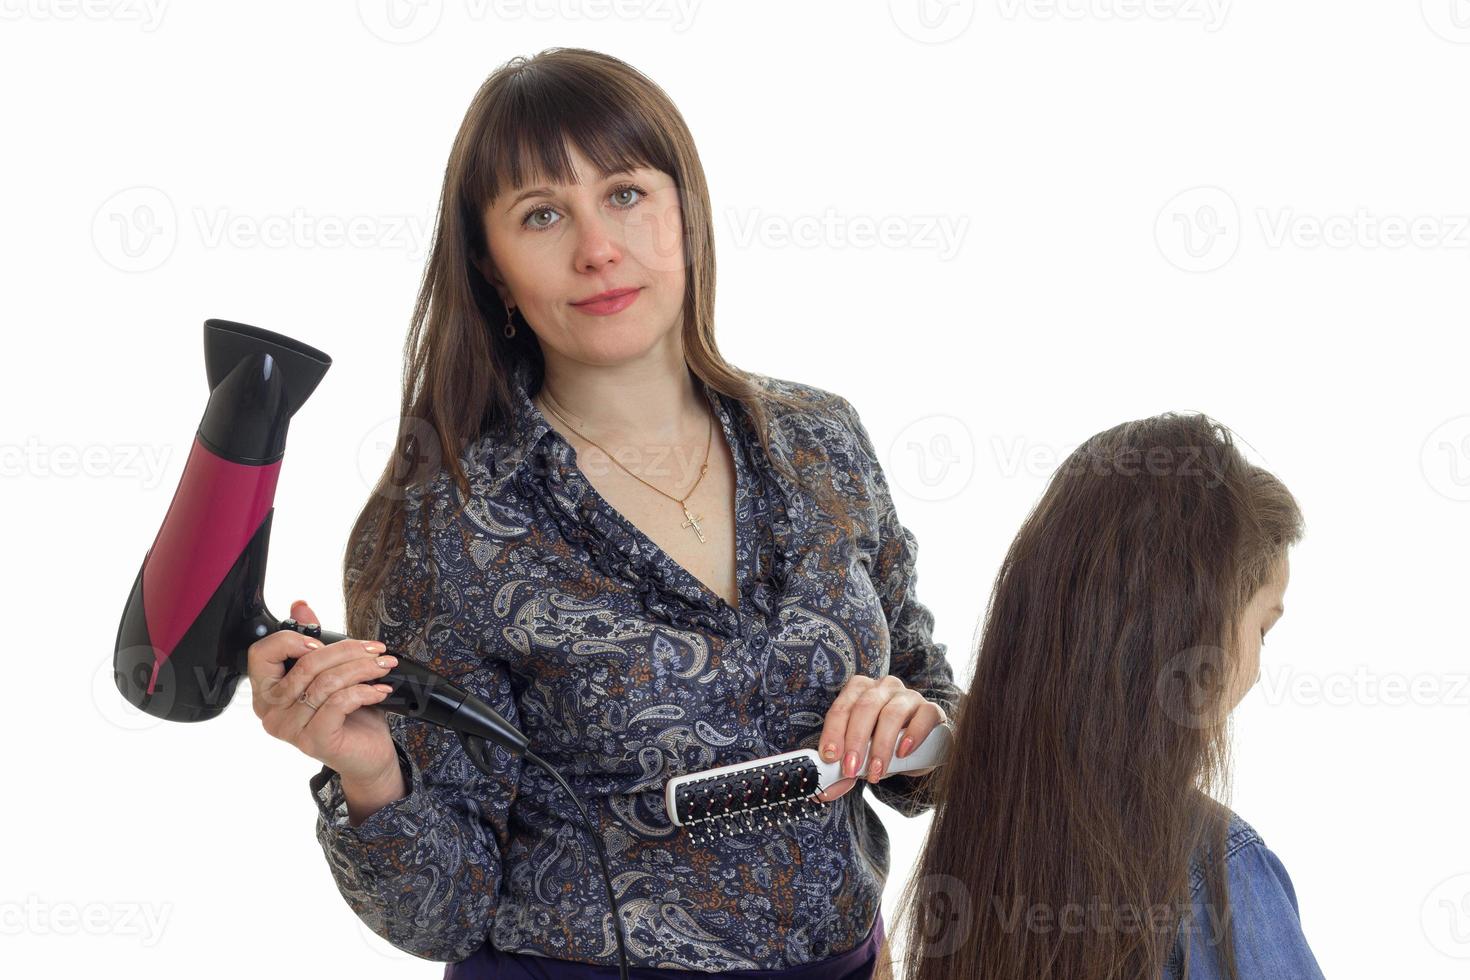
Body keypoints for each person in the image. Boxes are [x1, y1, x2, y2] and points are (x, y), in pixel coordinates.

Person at [244, 48, 961, 978]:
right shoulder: (445, 523)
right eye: (542, 215)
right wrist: (371, 773)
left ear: (684, 214)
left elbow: (938, 733)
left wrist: (917, 724)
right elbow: (441, 916)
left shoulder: (822, 441)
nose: (596, 248)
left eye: (624, 194)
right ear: (493, 271)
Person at [889, 413, 1326, 980]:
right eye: (1262, 630)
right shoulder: (1219, 869)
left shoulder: (985, 838)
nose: (1258, 671)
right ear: (1198, 626)